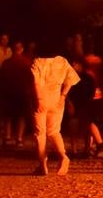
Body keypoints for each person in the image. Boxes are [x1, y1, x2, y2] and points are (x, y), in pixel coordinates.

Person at [31, 42, 79, 175]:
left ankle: (42, 164)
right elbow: (71, 79)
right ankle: (63, 156)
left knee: (40, 133)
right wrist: (63, 96)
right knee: (54, 131)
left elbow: (36, 83)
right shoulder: (62, 61)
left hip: (41, 98)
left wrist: (39, 100)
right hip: (57, 98)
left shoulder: (38, 62)